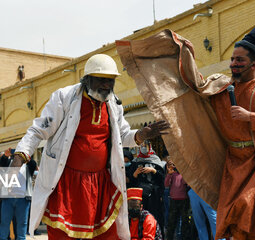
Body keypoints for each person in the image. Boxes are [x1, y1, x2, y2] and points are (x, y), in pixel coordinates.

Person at [116, 24, 255, 239]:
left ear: (254, 64)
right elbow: (195, 85)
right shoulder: (222, 86)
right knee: (236, 219)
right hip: (232, 164)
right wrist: (184, 52)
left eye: (239, 60)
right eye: (232, 59)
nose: (233, 64)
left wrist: (250, 117)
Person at [11, 54, 170, 239]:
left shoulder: (114, 105)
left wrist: (142, 134)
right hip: (67, 183)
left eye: (110, 81)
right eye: (101, 80)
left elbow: (122, 136)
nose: (106, 85)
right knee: (62, 235)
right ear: (87, 79)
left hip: (101, 184)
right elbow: (39, 130)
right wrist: (19, 156)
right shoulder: (64, 98)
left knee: (108, 234)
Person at [127, 140, 166, 235]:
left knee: (155, 216)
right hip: (140, 196)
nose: (144, 148)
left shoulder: (156, 160)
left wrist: (153, 170)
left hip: (154, 195)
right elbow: (131, 181)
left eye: (146, 146)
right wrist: (135, 174)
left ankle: (155, 235)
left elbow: (162, 179)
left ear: (150, 147)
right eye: (142, 146)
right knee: (141, 217)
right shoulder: (135, 162)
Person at [164, 159, 190, 240]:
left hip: (184, 200)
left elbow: (187, 183)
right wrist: (169, 174)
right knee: (172, 221)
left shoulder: (184, 173)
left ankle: (184, 238)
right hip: (173, 200)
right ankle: (169, 238)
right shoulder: (172, 174)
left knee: (185, 221)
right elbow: (166, 184)